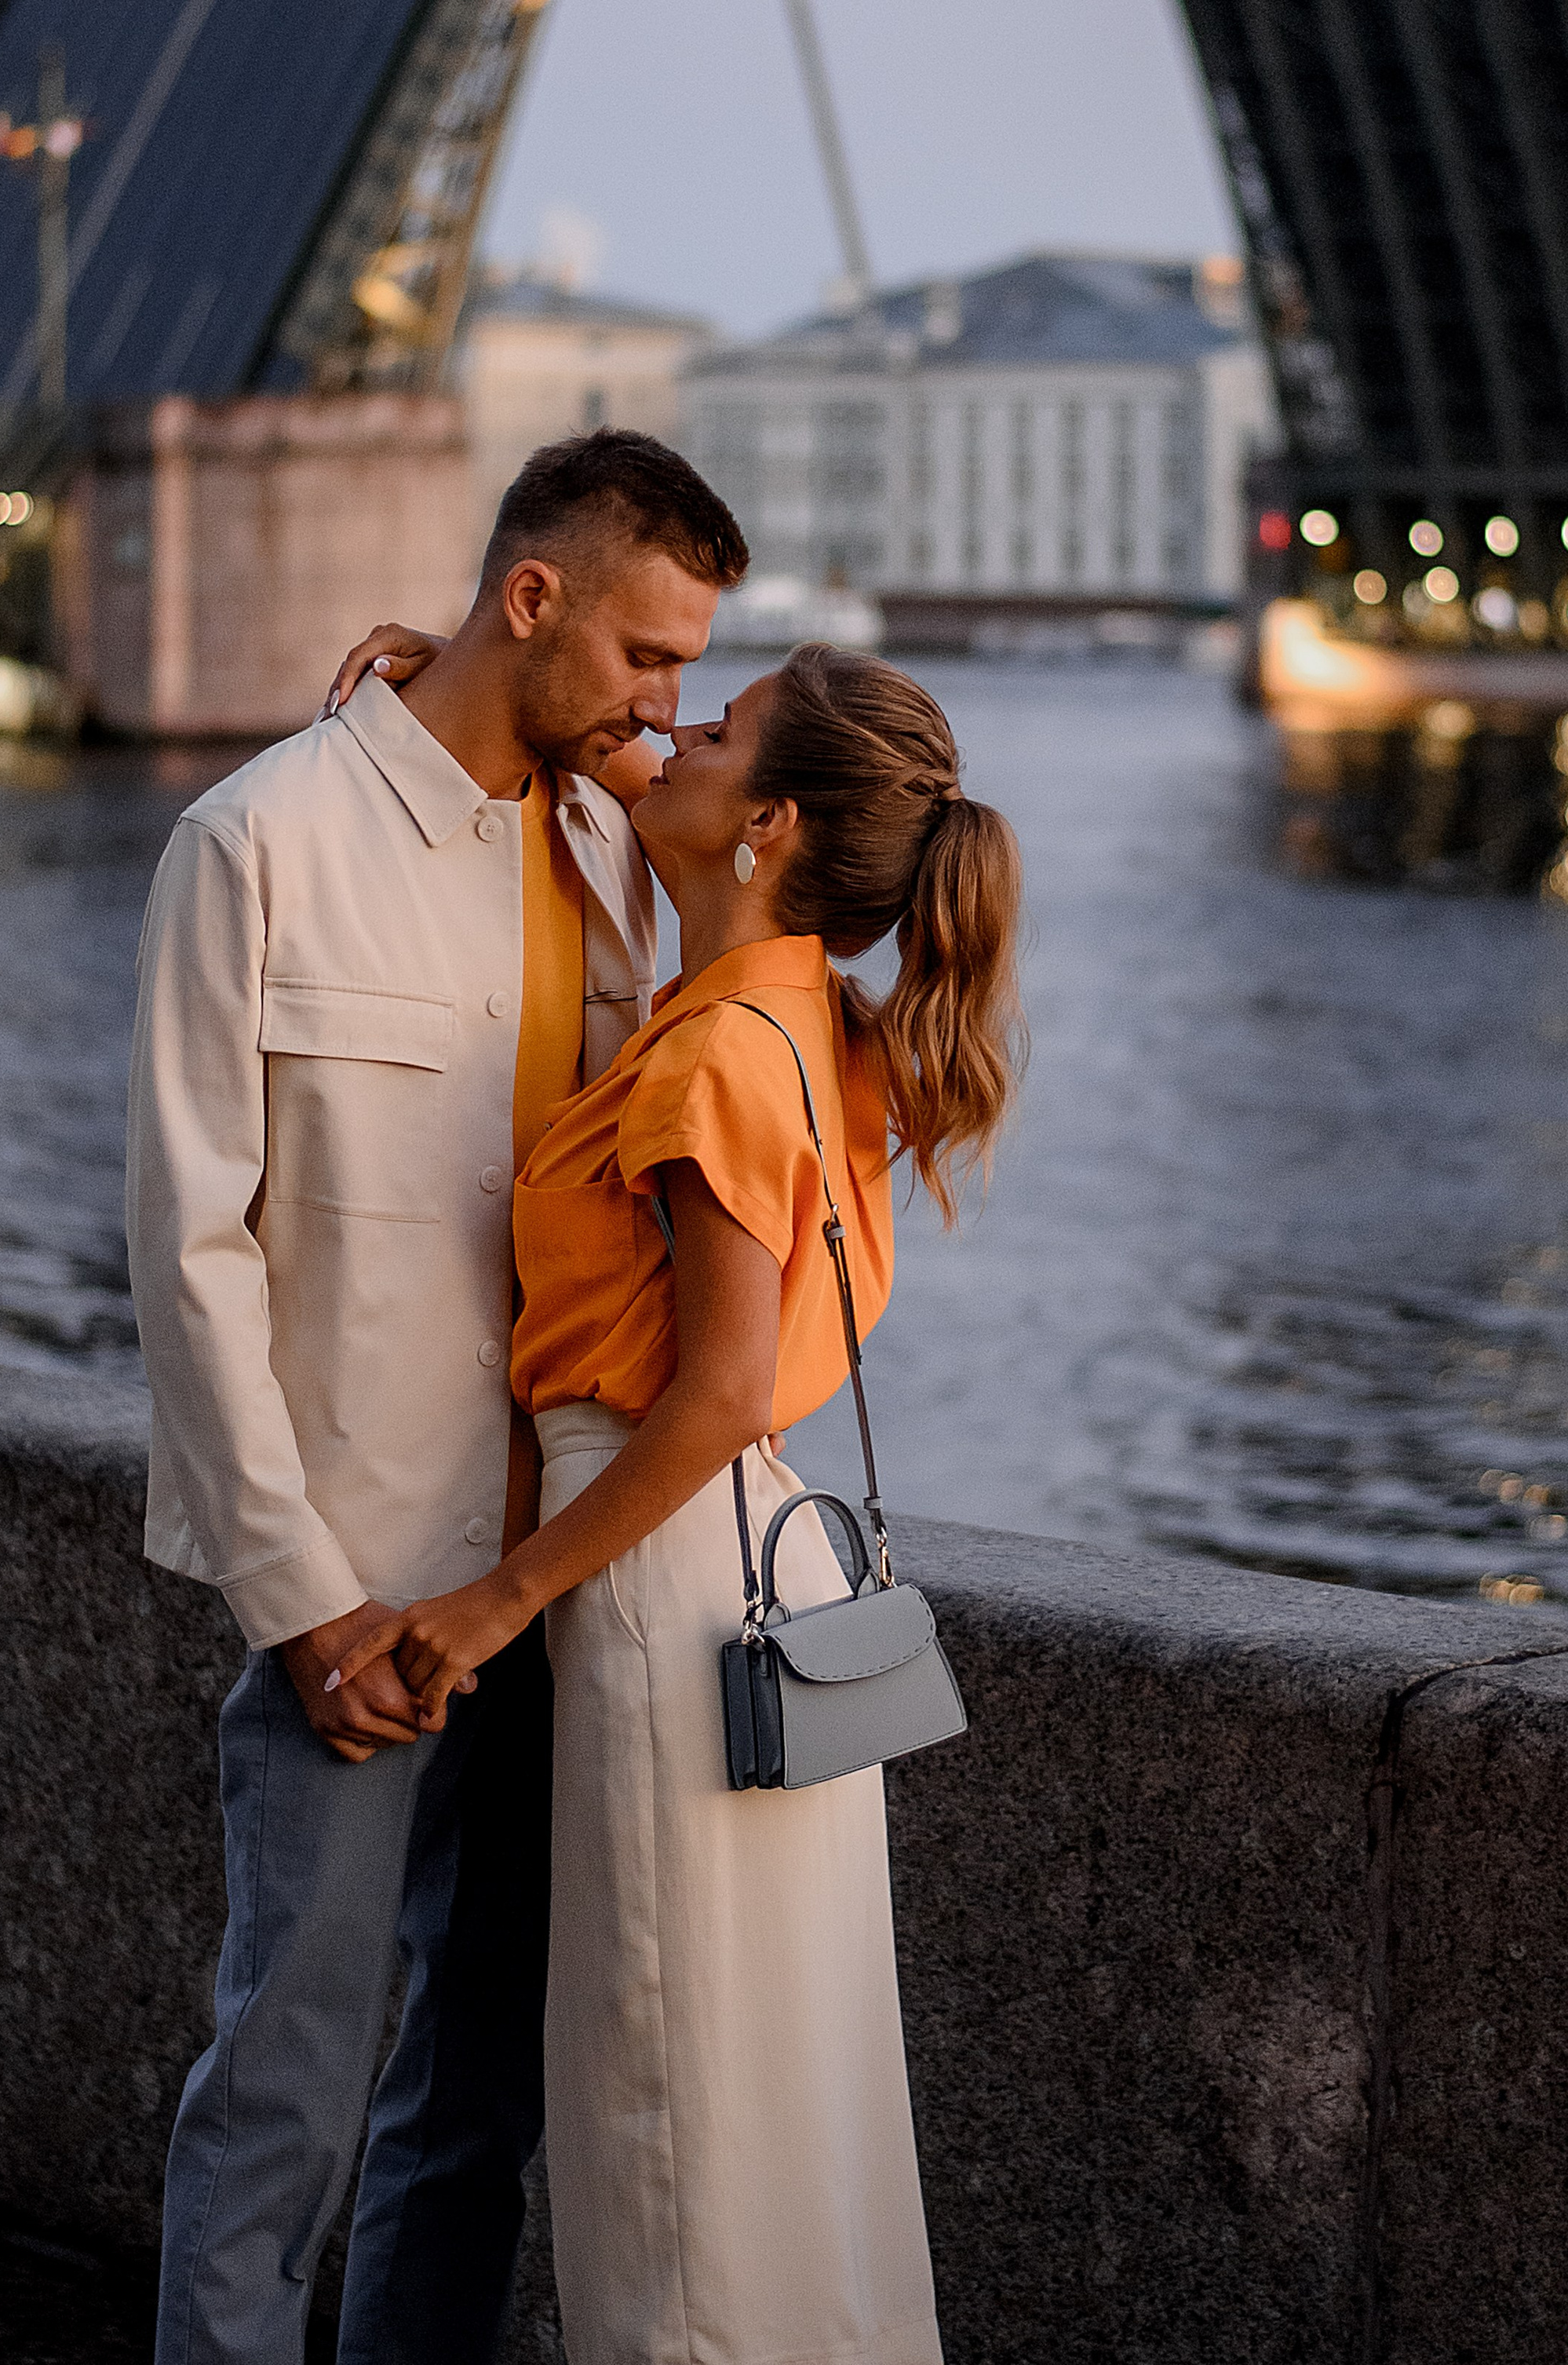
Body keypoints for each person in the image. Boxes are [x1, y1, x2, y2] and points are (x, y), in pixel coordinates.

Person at [126, 430, 747, 2365]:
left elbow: (838, 856)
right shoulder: (257, 844)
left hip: (559, 1599)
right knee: (284, 2096)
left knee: (478, 2113)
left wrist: (575, 734)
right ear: (533, 600)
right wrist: (299, 1607)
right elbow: (191, 1253)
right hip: (364, 1597)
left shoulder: (609, 852)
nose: (670, 707)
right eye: (647, 658)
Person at [333, 643, 1024, 2365]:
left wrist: (490, 1606)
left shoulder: (714, 1050)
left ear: (767, 822)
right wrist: (475, 677)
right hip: (759, 1582)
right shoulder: (821, 1028)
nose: (669, 730)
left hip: (649, 1574)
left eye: (709, 732)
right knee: (781, 2092)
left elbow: (706, 1389)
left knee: (662, 2106)